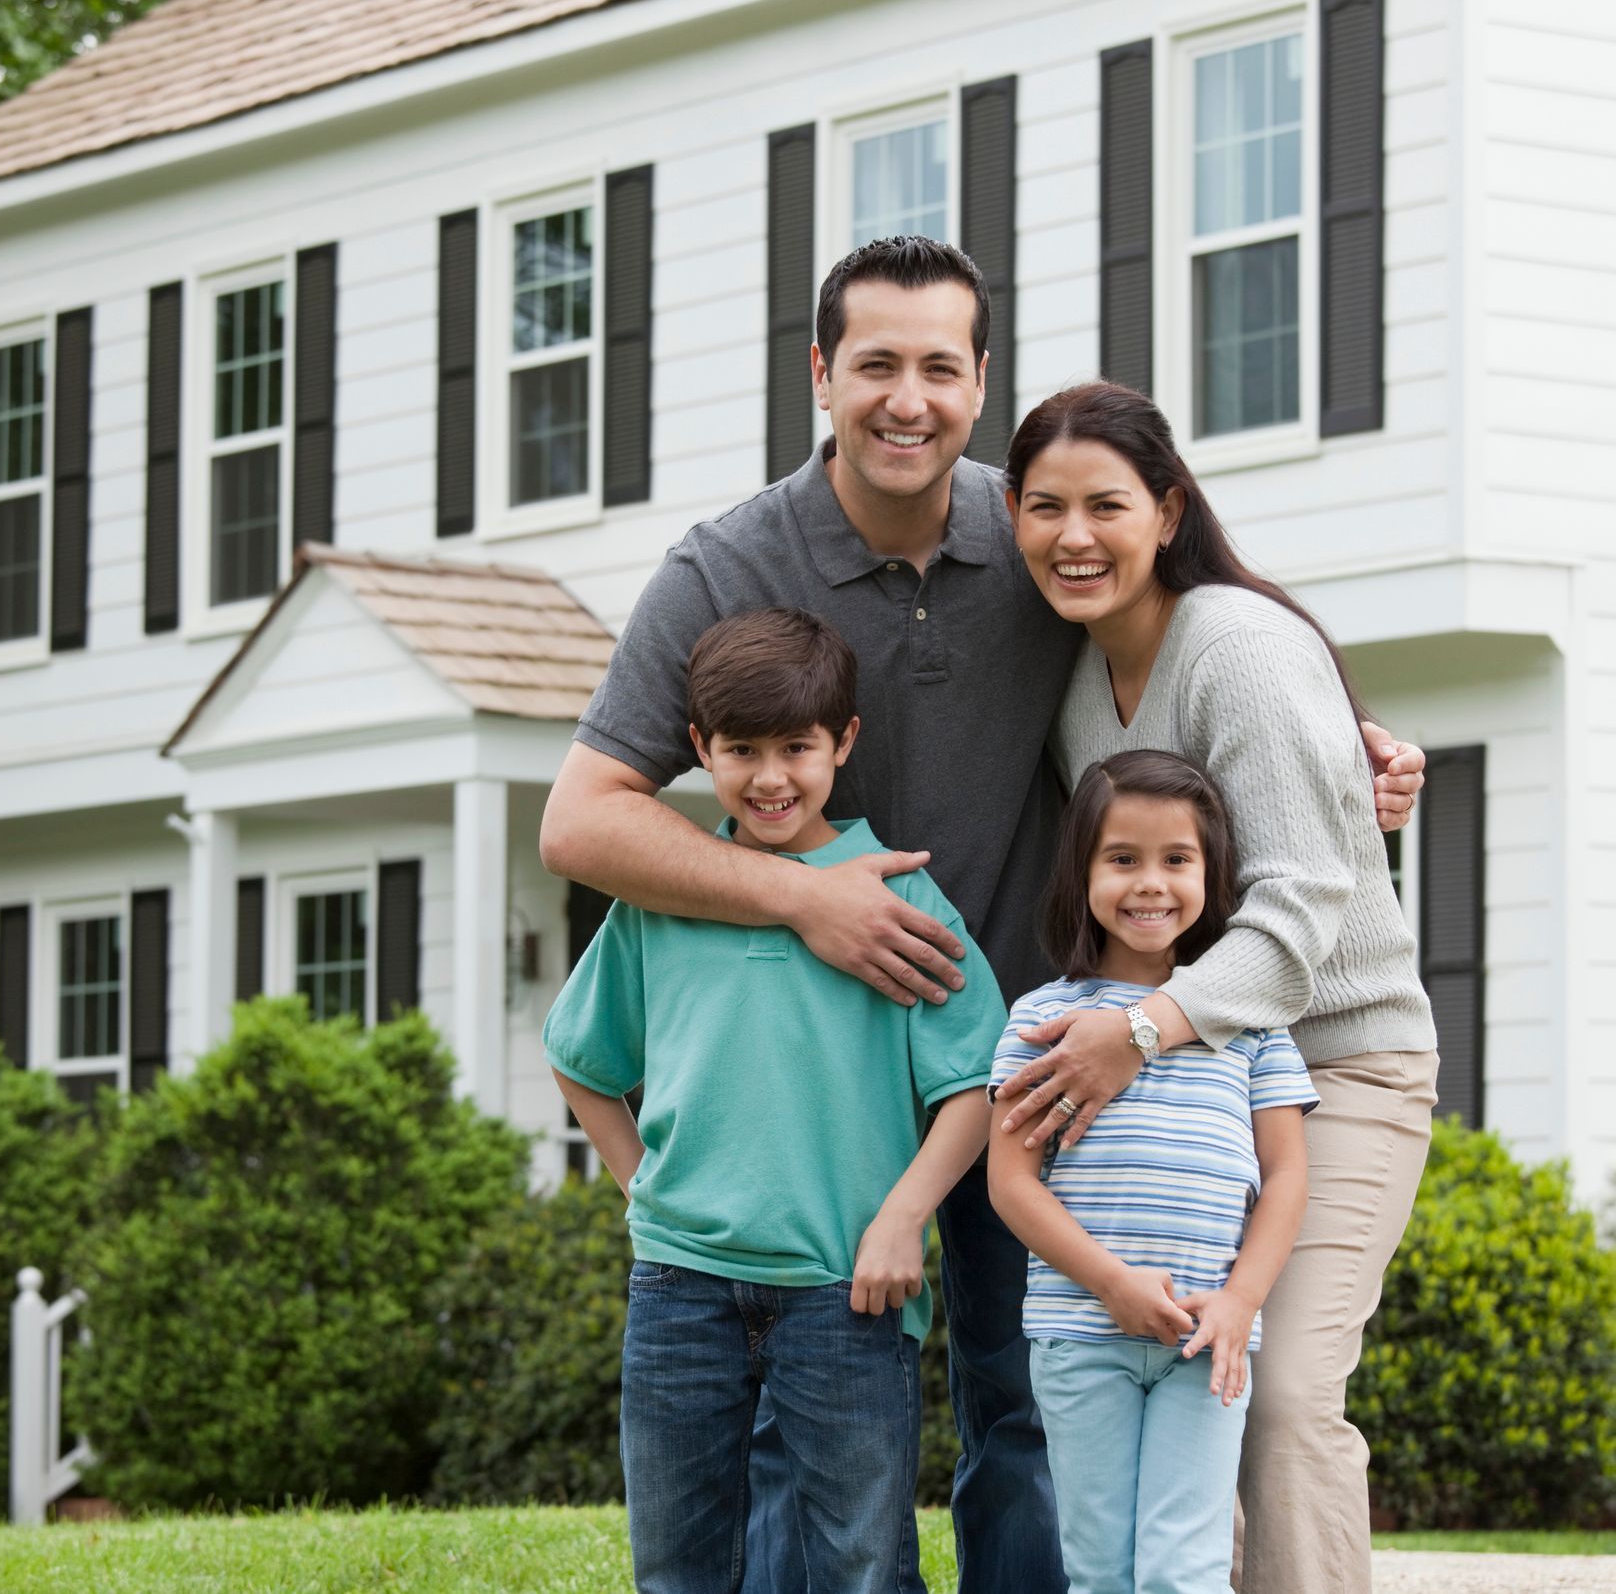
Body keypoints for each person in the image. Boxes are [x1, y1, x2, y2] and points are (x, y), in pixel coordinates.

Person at [538, 235, 1421, 1594]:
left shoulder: (1036, 532)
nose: (909, 398)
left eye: (940, 367)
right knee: (815, 1433)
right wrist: (801, 897)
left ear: (978, 380)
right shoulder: (724, 566)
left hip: (1050, 1065)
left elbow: (1194, 633)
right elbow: (581, 820)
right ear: (821, 375)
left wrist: (1336, 746)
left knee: (1040, 1410)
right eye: (876, 363)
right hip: (830, 1081)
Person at [993, 381, 1440, 1594]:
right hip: (1184, 1069)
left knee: (1282, 1387)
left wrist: (1131, 1031)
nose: (1071, 534)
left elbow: (1298, 910)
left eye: (1104, 505)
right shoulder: (1079, 674)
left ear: (1168, 509)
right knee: (1190, 1375)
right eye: (1042, 507)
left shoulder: (1235, 645)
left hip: (1337, 1060)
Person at [545, 607, 1002, 1594]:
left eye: (796, 746)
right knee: (675, 1566)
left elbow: (974, 1086)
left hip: (847, 1290)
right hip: (678, 1290)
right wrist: (637, 1187)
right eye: (739, 749)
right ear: (698, 747)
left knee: (862, 1564)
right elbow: (580, 1057)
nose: (769, 777)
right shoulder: (662, 901)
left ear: (842, 740)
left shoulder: (903, 903)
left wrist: (900, 1218)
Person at [988, 749, 1317, 1593]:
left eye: (1178, 859)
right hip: (1080, 1334)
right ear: (1083, 871)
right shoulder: (1042, 1019)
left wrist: (1241, 1300)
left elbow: (1284, 1178)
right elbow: (1011, 1182)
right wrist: (1111, 1284)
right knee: (1099, 1571)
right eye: (1123, 858)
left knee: (1185, 1570)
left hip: (1207, 1339)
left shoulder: (1249, 1026)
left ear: (1211, 873)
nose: (1152, 883)